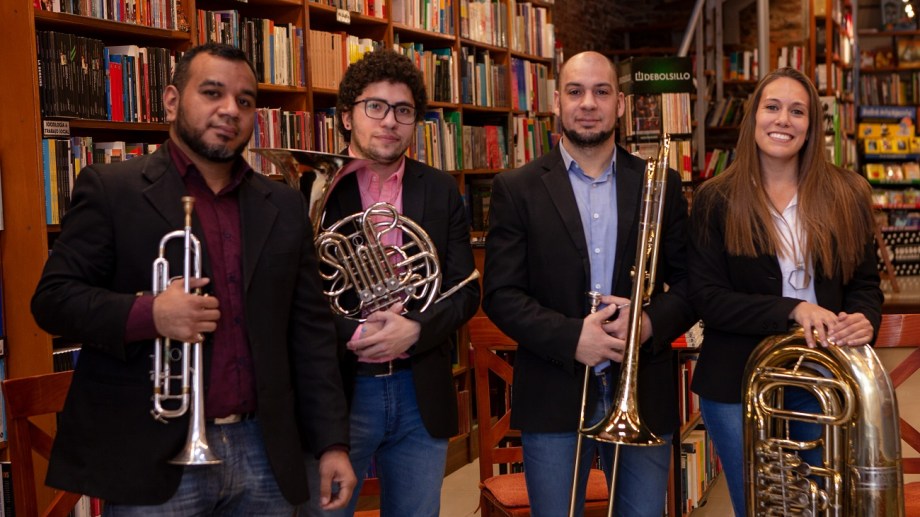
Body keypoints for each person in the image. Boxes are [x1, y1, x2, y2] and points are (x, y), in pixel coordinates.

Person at [30, 42, 356, 515]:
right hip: (152, 455)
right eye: (212, 93)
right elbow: (53, 300)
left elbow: (311, 334)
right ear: (171, 101)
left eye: (245, 100)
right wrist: (151, 313)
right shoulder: (112, 189)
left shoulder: (284, 205)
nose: (230, 110)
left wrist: (332, 443)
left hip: (264, 450)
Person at [482, 51, 697, 517]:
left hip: (642, 388)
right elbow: (500, 294)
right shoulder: (516, 188)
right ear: (557, 102)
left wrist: (646, 324)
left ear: (620, 104)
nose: (588, 103)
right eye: (575, 91)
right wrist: (572, 337)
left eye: (602, 92)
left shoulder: (660, 183)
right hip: (553, 390)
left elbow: (690, 285)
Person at [687, 67, 882, 515]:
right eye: (772, 107)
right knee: (760, 507)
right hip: (736, 381)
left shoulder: (848, 193)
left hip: (823, 377)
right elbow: (708, 299)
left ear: (812, 126)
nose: (783, 120)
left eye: (798, 111)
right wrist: (793, 309)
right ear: (753, 117)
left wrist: (864, 318)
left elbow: (865, 285)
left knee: (821, 505)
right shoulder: (715, 198)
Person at [308, 49, 480, 516]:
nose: (389, 121)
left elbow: (466, 289)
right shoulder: (311, 190)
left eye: (403, 110)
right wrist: (356, 331)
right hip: (342, 390)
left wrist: (416, 328)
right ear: (347, 116)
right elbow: (297, 295)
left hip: (418, 388)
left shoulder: (440, 189)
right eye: (375, 107)